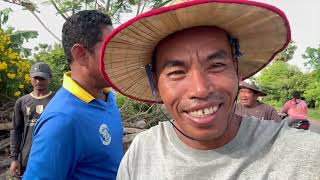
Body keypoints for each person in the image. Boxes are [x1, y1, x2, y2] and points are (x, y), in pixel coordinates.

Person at [99, 0, 320, 179]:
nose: (200, 89)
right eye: (176, 72)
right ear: (156, 84)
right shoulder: (142, 151)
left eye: (216, 66)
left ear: (237, 70)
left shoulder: (305, 156)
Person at [23, 10, 123, 180]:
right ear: (81, 55)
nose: (118, 56)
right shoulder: (61, 121)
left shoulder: (107, 98)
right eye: (110, 47)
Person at [9, 62, 54, 178]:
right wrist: (14, 159)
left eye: (42, 78)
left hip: (51, 157)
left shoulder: (57, 100)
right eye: (36, 78)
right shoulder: (21, 102)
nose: (38, 82)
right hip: (27, 158)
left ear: (50, 78)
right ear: (30, 78)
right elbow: (16, 131)